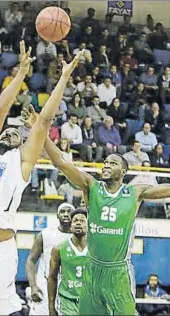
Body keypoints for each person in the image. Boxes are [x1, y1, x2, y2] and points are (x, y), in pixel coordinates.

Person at [0, 41, 83, 316]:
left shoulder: (21, 164)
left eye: (16, 134)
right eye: (6, 132)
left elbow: (44, 121)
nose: (8, 133)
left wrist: (63, 78)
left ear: (20, 144)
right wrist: (20, 73)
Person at [21, 108, 170, 316]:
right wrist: (39, 130)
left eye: (113, 163)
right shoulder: (91, 186)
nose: (106, 165)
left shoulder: (134, 192)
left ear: (124, 171)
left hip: (118, 272)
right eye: (105, 162)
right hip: (92, 271)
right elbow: (61, 162)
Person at [25, 203, 75, 315]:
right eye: (62, 211)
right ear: (57, 215)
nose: (66, 214)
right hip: (45, 287)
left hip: (70, 288)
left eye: (69, 211)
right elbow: (31, 260)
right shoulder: (45, 235)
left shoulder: (80, 237)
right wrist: (33, 286)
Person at [48, 209, 88, 316]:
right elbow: (52, 277)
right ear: (71, 226)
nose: (78, 223)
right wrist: (51, 308)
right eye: (75, 221)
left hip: (90, 302)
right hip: (68, 301)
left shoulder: (96, 249)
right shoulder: (59, 249)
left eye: (82, 220)